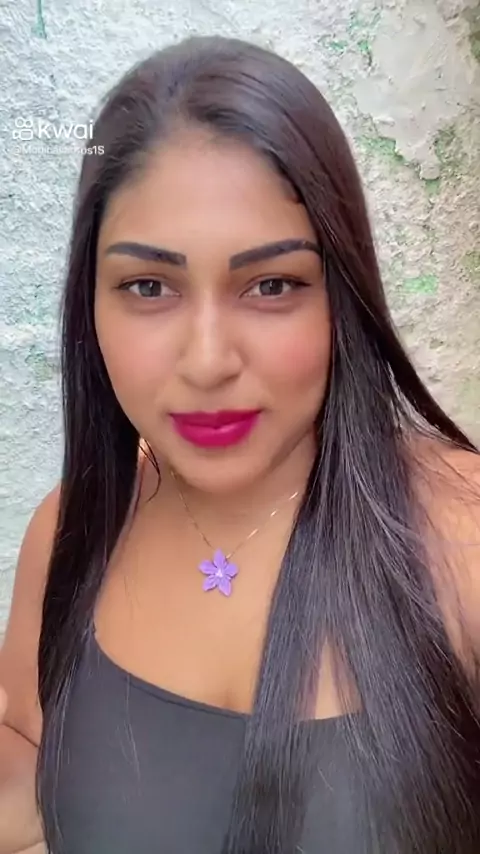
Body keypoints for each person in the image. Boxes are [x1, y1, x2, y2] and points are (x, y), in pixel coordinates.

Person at [0, 33, 480, 854]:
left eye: (272, 285)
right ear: (91, 303)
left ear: (342, 295)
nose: (208, 361)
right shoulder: (74, 529)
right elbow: (32, 767)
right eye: (148, 286)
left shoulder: (464, 539)